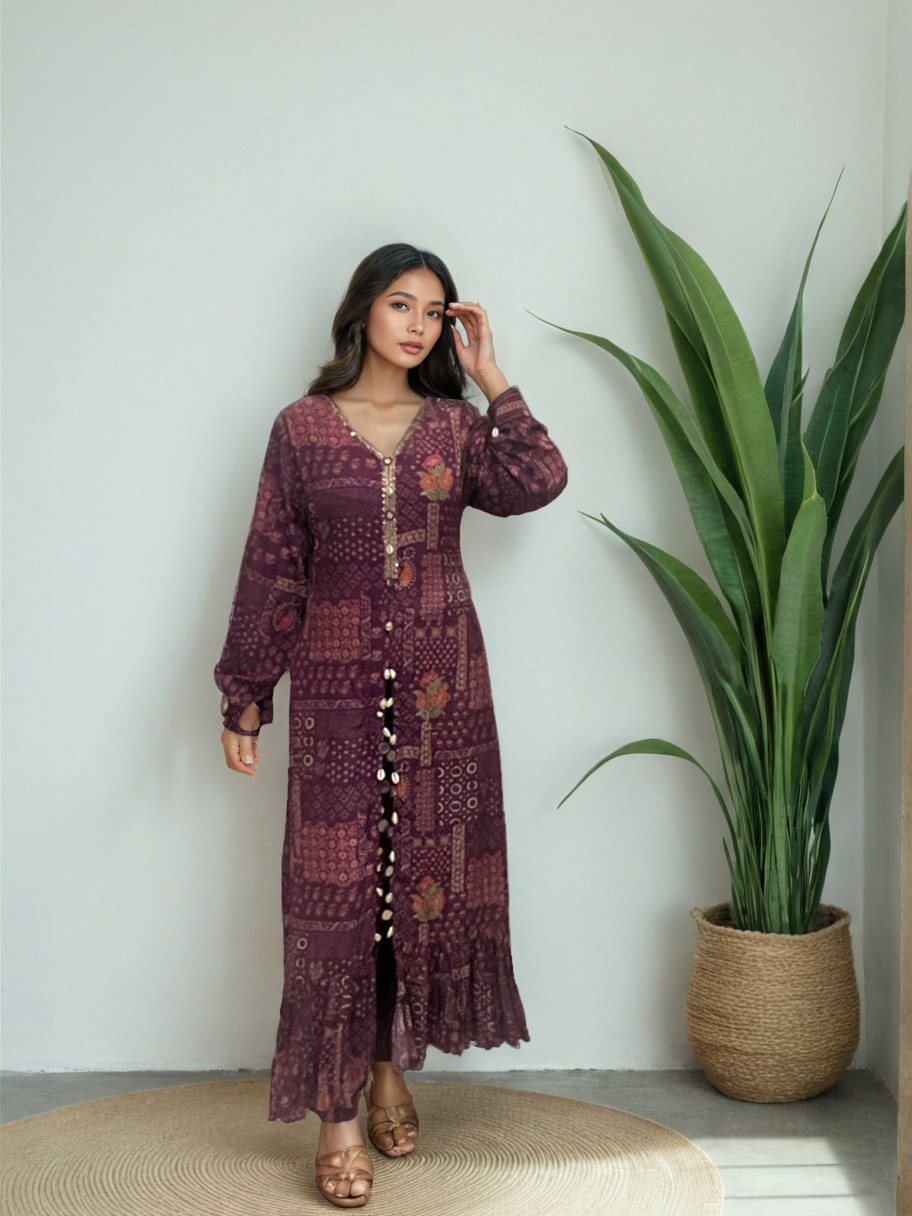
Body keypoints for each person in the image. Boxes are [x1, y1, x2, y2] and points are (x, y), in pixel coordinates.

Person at [214, 242, 568, 1207]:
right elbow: (273, 566)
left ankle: (387, 1071)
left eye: (435, 312)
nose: (417, 325)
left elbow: (539, 477)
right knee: (335, 901)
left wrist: (492, 375)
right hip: (334, 702)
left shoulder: (456, 427)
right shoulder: (301, 429)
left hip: (445, 698)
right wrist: (246, 692)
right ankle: (337, 1117)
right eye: (401, 304)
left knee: (410, 892)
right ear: (362, 310)